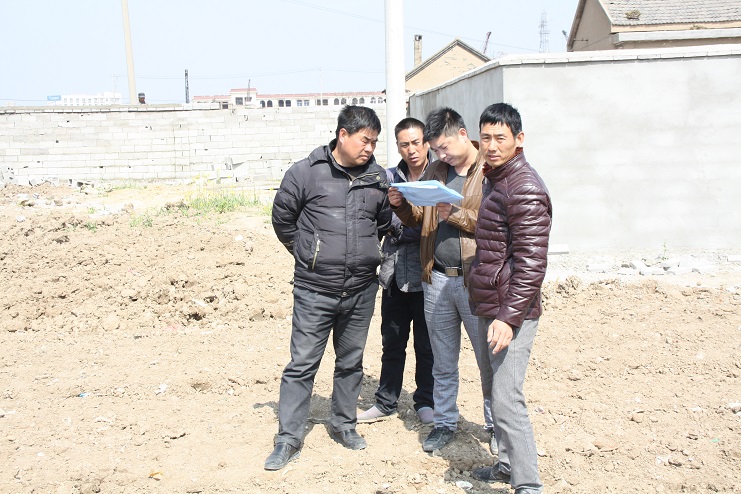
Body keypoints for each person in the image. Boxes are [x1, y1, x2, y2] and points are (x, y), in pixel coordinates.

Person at [265, 105, 392, 471]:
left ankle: (344, 424)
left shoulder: (377, 178)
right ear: (343, 135)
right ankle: (288, 438)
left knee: (351, 362)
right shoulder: (306, 172)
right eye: (365, 140)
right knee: (302, 364)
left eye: (374, 142)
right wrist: (308, 253)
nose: (370, 148)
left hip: (361, 290)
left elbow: (383, 222)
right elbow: (282, 218)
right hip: (315, 290)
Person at [390, 107, 495, 453]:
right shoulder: (436, 171)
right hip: (436, 279)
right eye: (436, 150)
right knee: (442, 359)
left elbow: (497, 224)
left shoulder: (489, 170)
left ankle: (496, 425)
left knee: (488, 361)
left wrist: (458, 215)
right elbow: (421, 219)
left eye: (444, 148)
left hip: (474, 280)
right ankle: (445, 422)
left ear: (463, 134)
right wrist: (401, 205)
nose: (441, 155)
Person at [469, 103, 551, 493]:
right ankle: (506, 464)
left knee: (506, 398)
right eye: (485, 137)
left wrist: (508, 317)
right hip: (492, 301)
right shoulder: (496, 178)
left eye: (500, 138)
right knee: (493, 389)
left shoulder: (524, 187)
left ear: (519, 139)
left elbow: (532, 263)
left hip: (511, 311)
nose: (492, 146)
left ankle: (528, 484)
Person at [357, 118, 435, 425]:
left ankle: (426, 401)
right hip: (393, 272)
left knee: (426, 346)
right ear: (398, 147)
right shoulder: (388, 177)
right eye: (405, 144)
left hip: (429, 274)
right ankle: (386, 400)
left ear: (426, 143)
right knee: (392, 342)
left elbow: (436, 222)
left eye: (416, 143)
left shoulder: (438, 176)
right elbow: (378, 218)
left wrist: (403, 228)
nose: (411, 150)